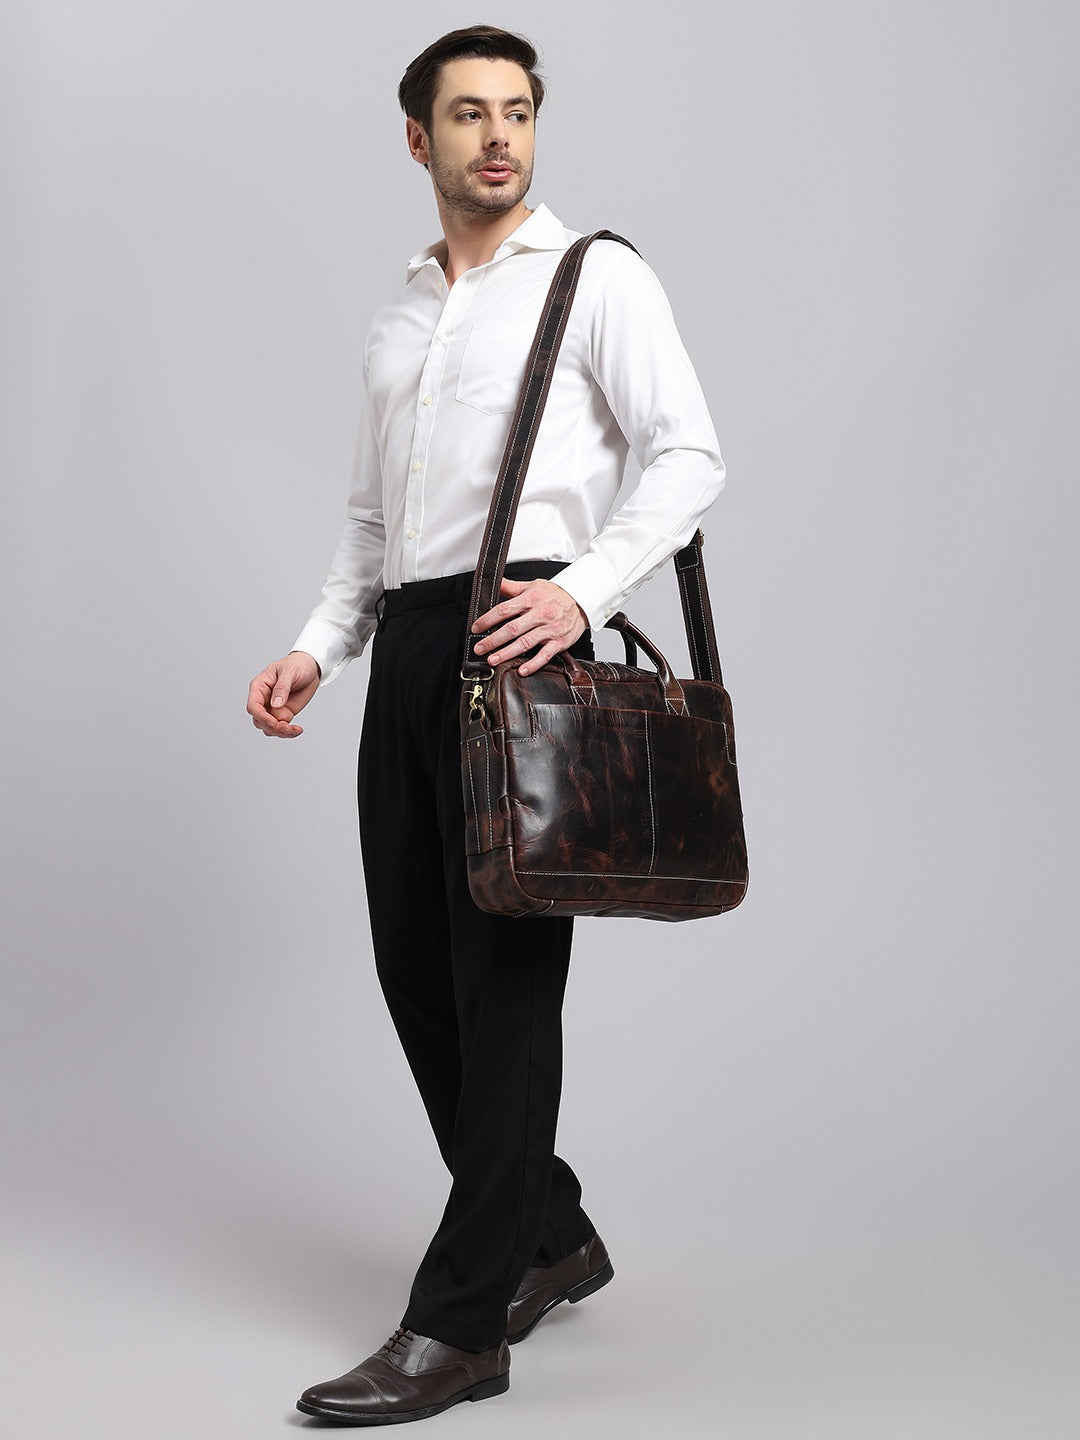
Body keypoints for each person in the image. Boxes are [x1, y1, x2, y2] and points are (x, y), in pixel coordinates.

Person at [246, 24, 727, 1427]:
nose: (499, 136)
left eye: (517, 110)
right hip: (408, 647)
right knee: (416, 968)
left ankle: (459, 1325)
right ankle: (550, 1232)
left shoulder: (596, 278)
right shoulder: (399, 319)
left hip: (520, 644)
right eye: (468, 114)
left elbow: (691, 451)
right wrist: (317, 645)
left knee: (506, 980)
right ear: (420, 139)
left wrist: (579, 594)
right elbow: (371, 522)